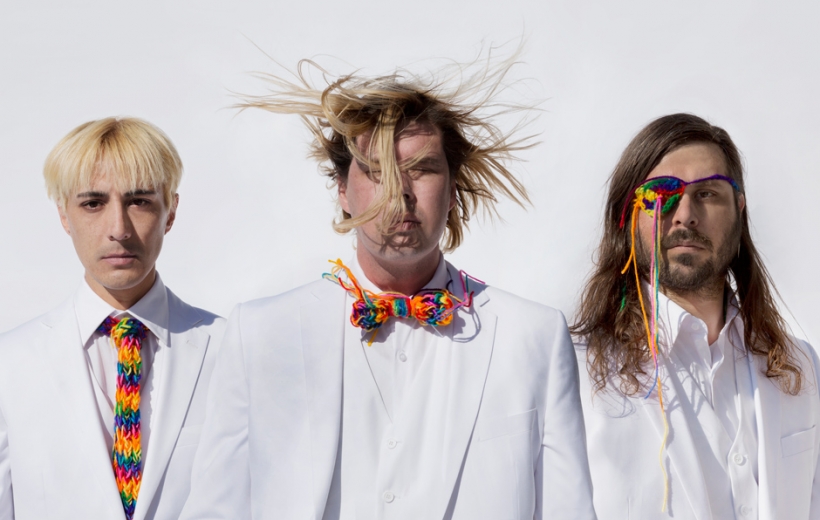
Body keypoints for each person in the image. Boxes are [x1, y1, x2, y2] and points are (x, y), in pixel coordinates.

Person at [180, 58, 596, 520]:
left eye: (423, 168)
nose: (401, 192)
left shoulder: (533, 336)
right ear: (342, 190)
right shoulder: (260, 332)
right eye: (377, 171)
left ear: (452, 189)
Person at [572, 113, 820, 519]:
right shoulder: (576, 371)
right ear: (628, 214)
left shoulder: (801, 367)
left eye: (707, 193)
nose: (685, 214)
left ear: (739, 210)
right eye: (661, 193)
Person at [0, 117, 225, 520]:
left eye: (139, 201)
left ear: (171, 211)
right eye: (93, 203)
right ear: (63, 214)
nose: (118, 229)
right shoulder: (10, 363)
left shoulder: (229, 350)